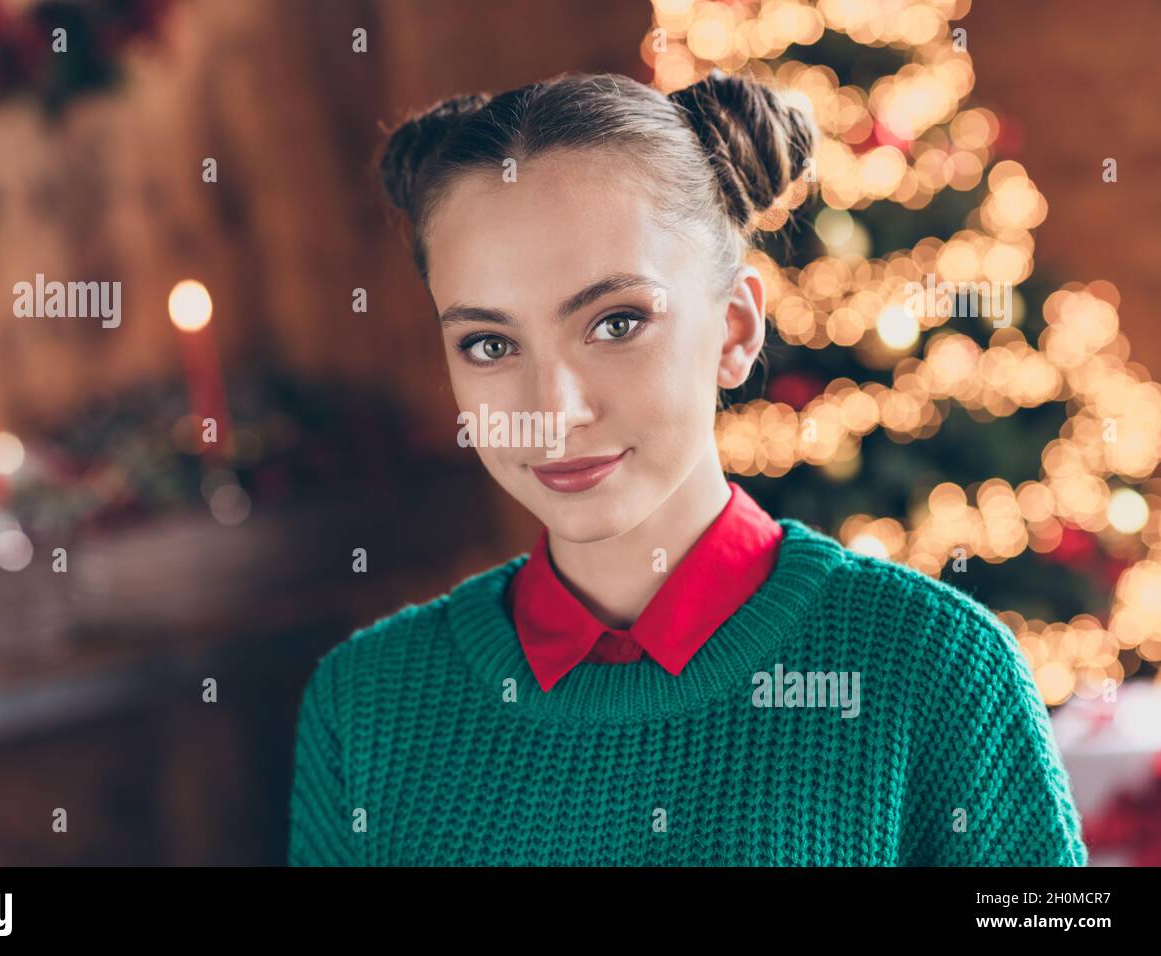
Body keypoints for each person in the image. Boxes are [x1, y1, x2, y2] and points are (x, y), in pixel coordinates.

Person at [287, 69, 1087, 866]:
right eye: (490, 345)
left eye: (616, 322)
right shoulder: (363, 705)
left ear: (736, 329)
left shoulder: (936, 672)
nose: (553, 409)